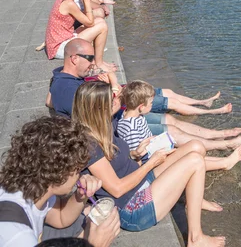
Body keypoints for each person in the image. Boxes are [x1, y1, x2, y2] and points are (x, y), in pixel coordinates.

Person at [72, 82, 226, 245]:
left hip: (141, 181)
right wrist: (151, 163)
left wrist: (134, 153)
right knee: (195, 162)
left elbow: (116, 161)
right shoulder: (90, 146)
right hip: (132, 207)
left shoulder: (105, 125)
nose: (118, 99)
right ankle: (195, 239)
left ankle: (193, 198)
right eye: (112, 99)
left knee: (196, 147)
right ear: (99, 109)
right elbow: (117, 189)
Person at [47, 39, 241, 152]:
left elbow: (51, 100)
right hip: (122, 123)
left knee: (170, 119)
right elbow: (97, 115)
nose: (93, 62)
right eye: (89, 58)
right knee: (173, 130)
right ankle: (225, 143)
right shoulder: (67, 89)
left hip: (126, 114)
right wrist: (115, 89)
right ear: (73, 58)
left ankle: (220, 134)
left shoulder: (62, 77)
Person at [0, 116, 120, 247]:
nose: (79, 175)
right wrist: (95, 245)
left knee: (84, 216)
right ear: (61, 172)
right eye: (78, 169)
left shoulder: (32, 185)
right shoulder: (18, 237)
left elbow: (60, 218)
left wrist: (80, 196)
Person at [117, 81, 241, 172]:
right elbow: (138, 157)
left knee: (183, 152)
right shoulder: (131, 128)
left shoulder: (132, 117)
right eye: (151, 103)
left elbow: (142, 142)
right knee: (185, 158)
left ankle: (224, 159)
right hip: (152, 161)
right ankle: (225, 163)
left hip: (154, 152)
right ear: (141, 106)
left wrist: (158, 140)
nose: (152, 106)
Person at [45, 0, 115, 73]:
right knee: (102, 26)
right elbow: (90, 23)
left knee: (99, 20)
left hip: (64, 37)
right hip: (59, 47)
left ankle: (98, 60)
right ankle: (98, 63)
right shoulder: (68, 3)